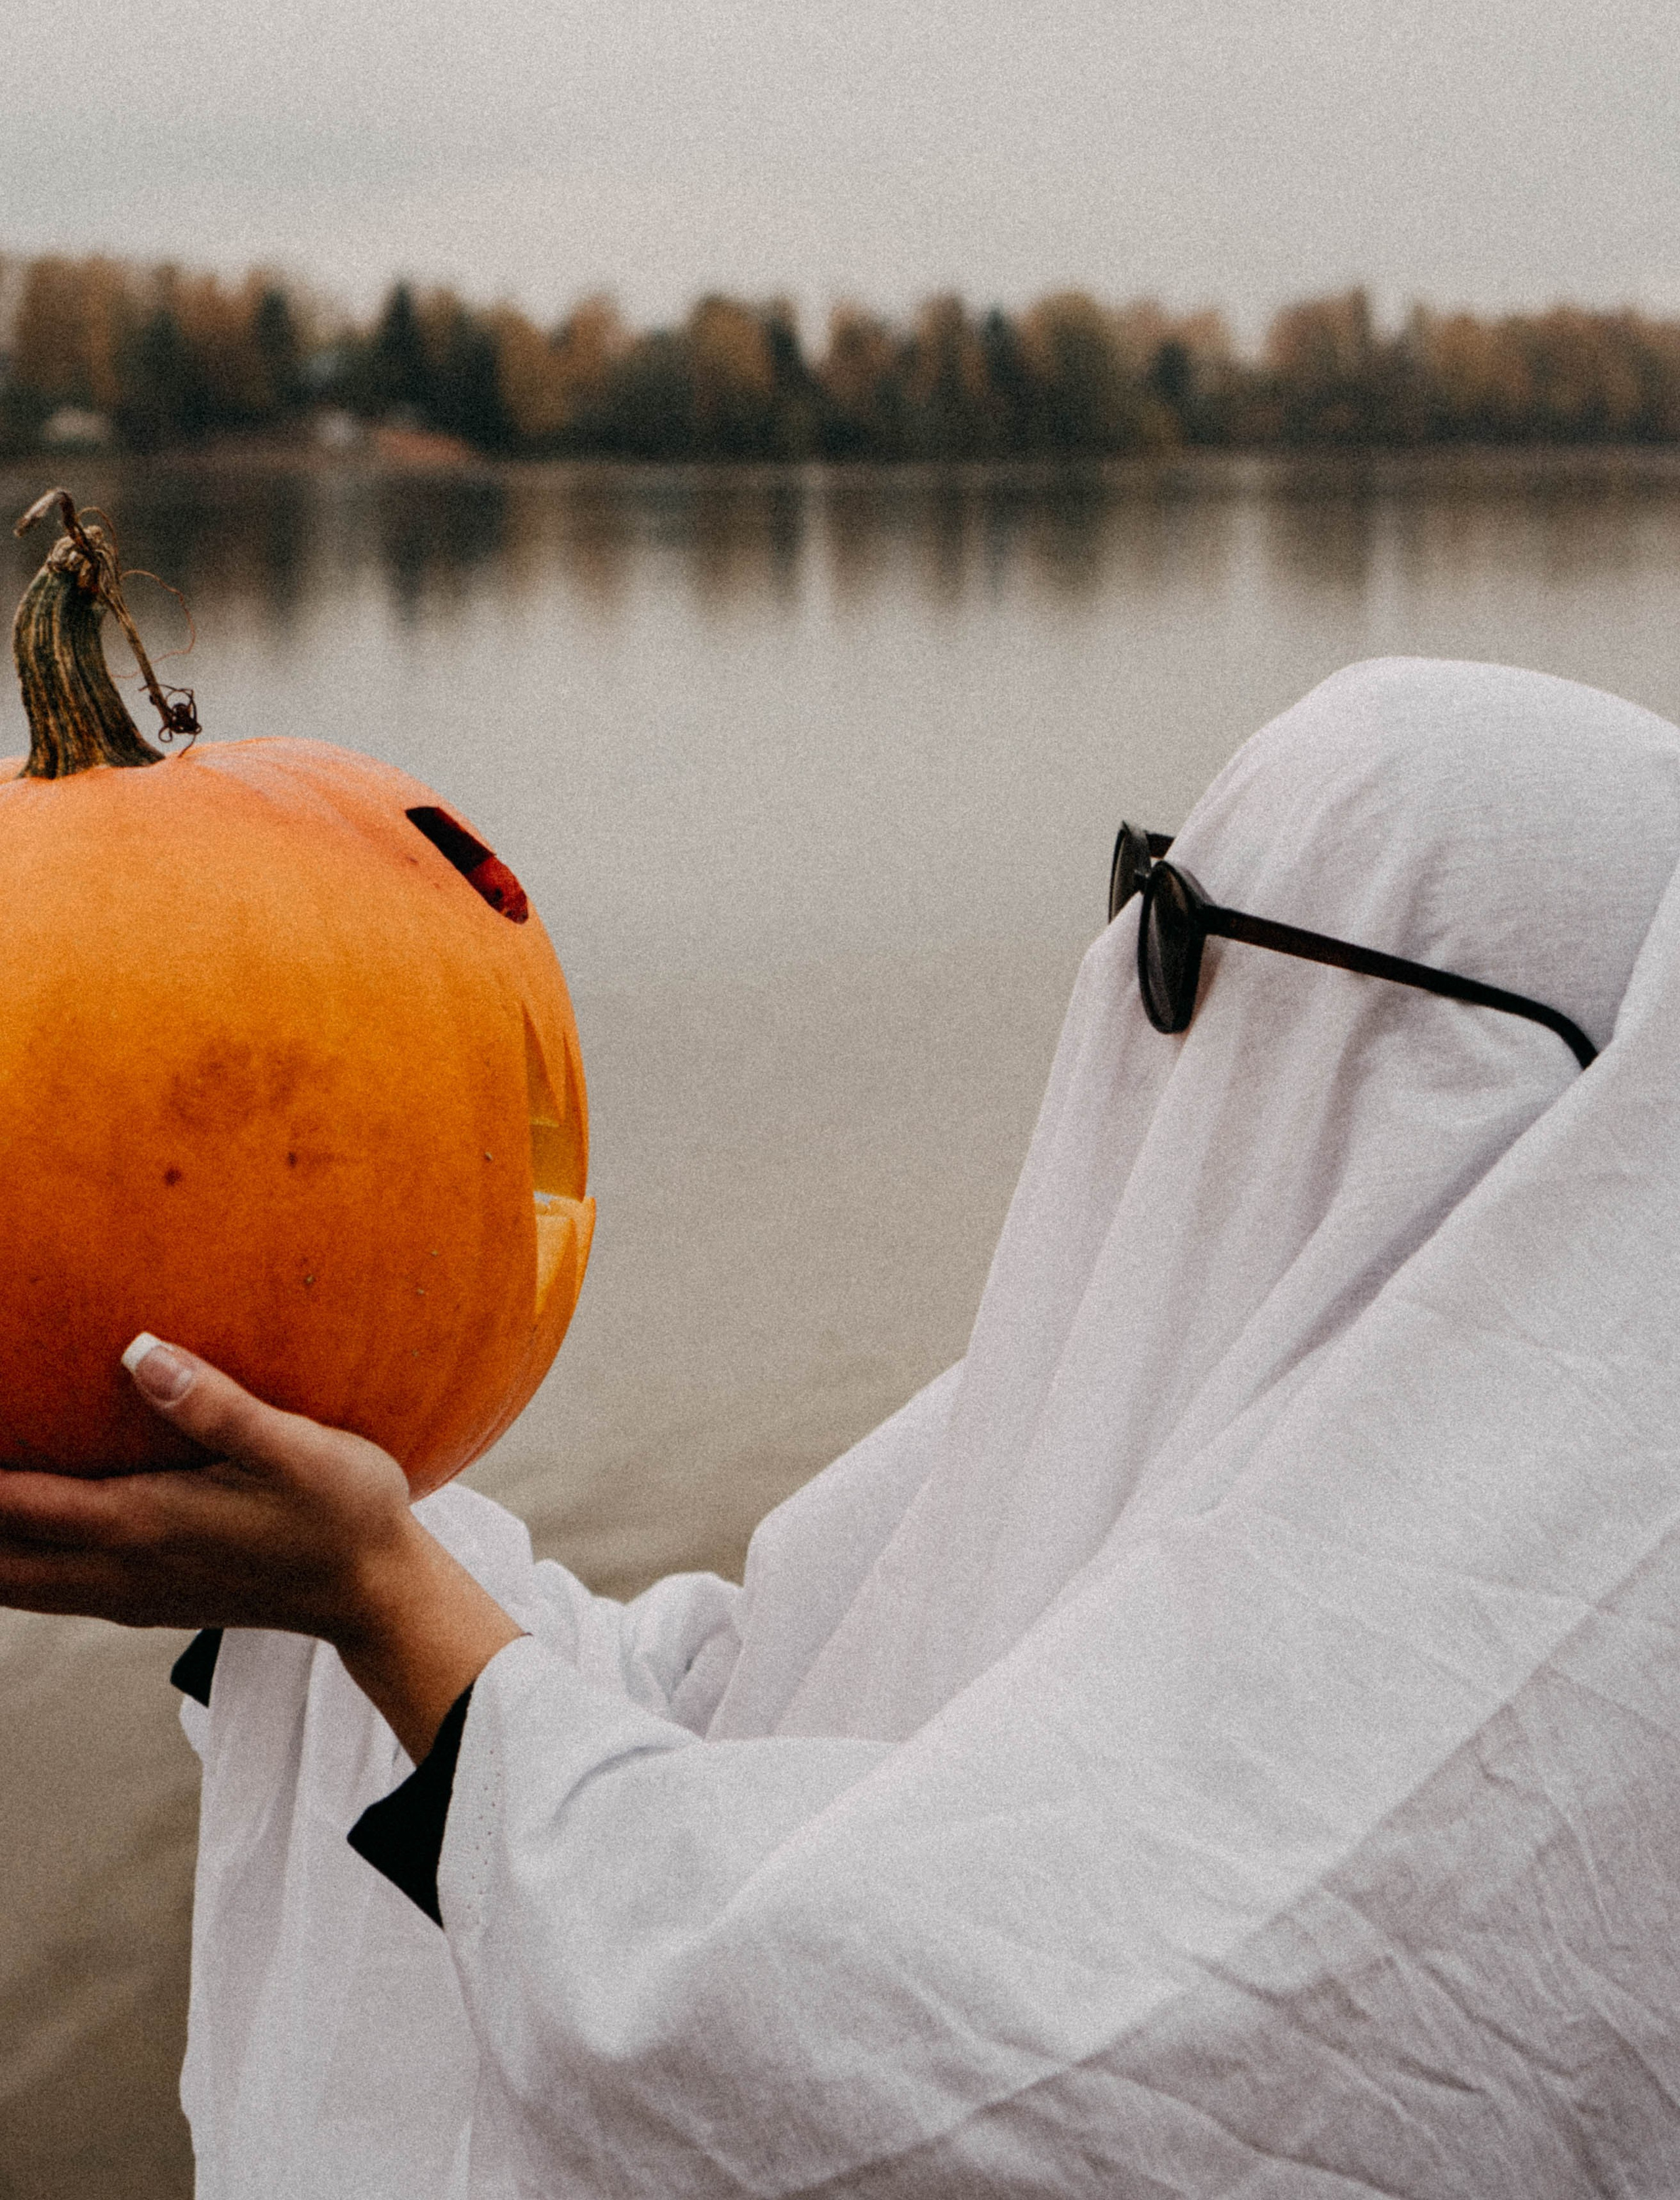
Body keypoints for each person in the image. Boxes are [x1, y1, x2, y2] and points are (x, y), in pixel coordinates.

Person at [5, 654, 1680, 2198]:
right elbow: (755, 1717)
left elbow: (881, 2065)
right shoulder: (1180, 1414)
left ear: (1482, 1084)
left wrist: (380, 1596)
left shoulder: (1497, 1762)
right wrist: (331, 1548)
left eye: (1178, 943)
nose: (1128, 994)